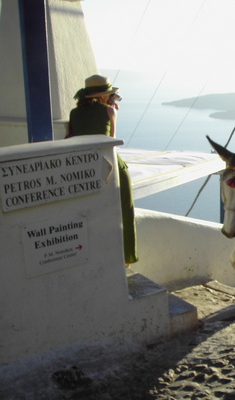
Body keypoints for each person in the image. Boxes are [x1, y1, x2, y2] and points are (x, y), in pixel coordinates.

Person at [68, 74, 138, 266]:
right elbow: (112, 143)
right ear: (102, 96)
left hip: (85, 167)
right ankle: (126, 258)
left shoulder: (74, 114)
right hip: (112, 165)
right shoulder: (109, 111)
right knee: (124, 210)